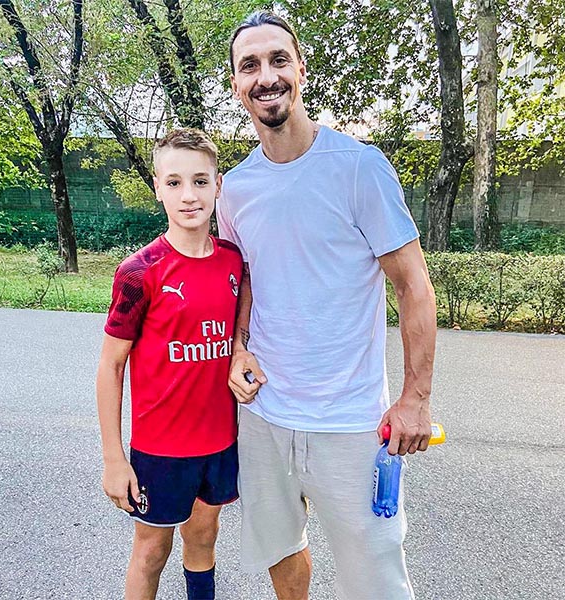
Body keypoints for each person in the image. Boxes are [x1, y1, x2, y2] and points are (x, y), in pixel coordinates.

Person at [216, 11, 437, 600]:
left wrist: (415, 399)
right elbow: (245, 280)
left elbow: (413, 285)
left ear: (301, 70)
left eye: (278, 60)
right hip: (264, 415)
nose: (266, 76)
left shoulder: (359, 167)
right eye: (250, 65)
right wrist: (237, 346)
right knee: (281, 550)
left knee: (377, 581)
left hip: (351, 423)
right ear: (236, 84)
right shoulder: (235, 188)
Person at [96, 128, 243, 600]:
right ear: (158, 187)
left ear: (218, 185)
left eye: (200, 181)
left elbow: (239, 328)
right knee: (151, 551)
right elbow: (111, 366)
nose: (189, 195)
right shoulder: (139, 271)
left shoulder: (234, 261)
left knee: (203, 537)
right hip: (161, 449)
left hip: (220, 441)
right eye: (175, 183)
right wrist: (114, 459)